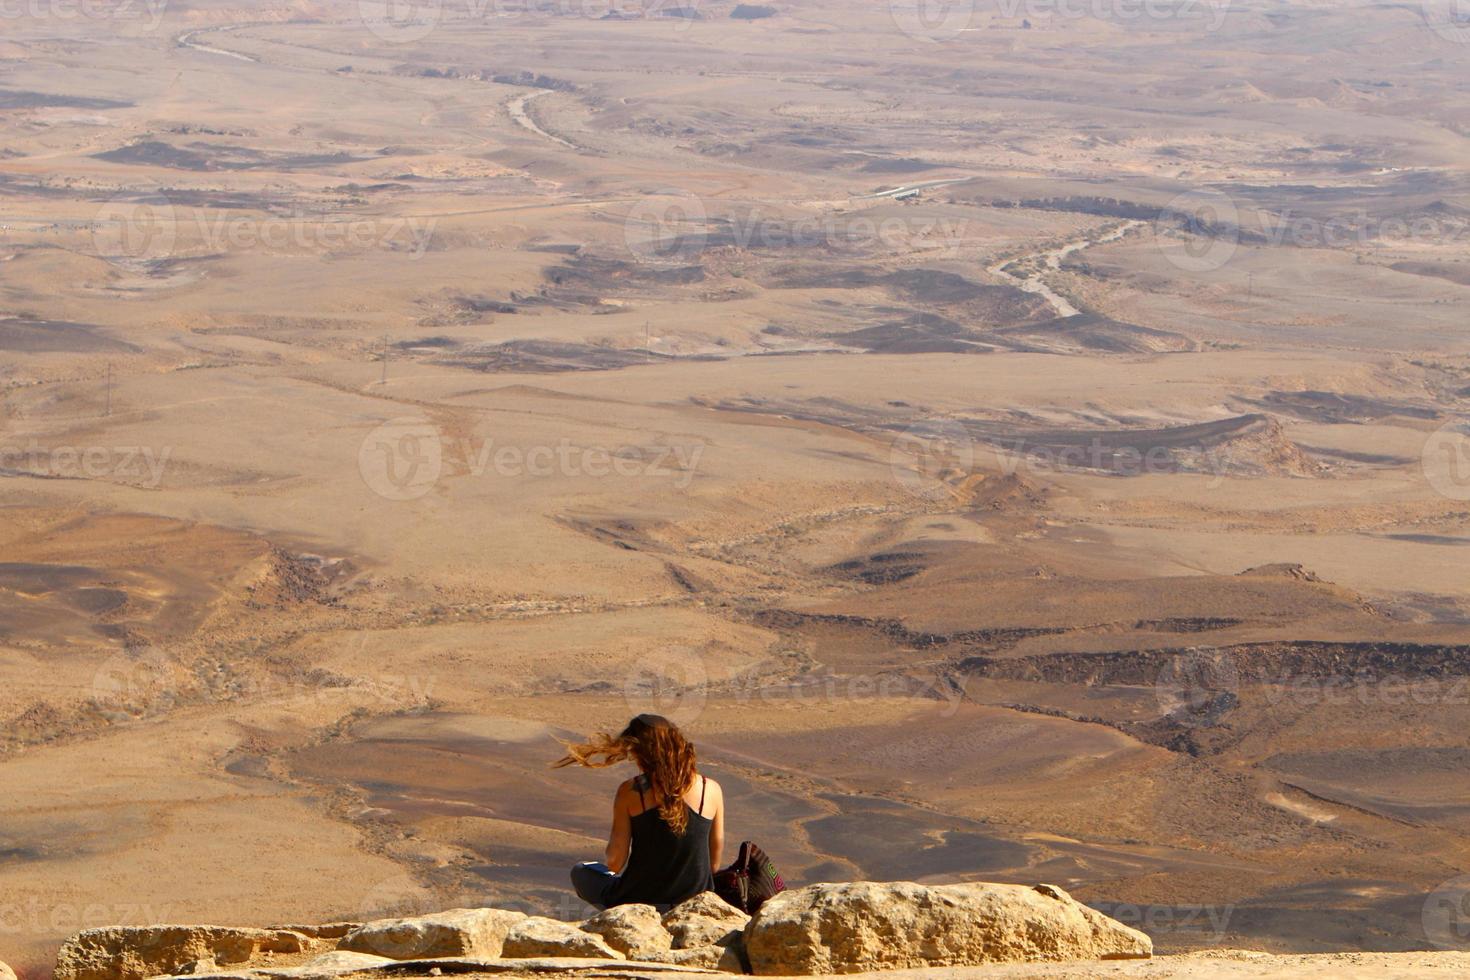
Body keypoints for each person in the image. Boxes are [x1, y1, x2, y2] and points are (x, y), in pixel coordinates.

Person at [555, 714, 725, 911]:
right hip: (692, 904)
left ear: (641, 752)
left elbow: (615, 863)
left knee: (581, 871)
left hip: (639, 902)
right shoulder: (710, 789)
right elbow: (714, 864)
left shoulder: (631, 791)